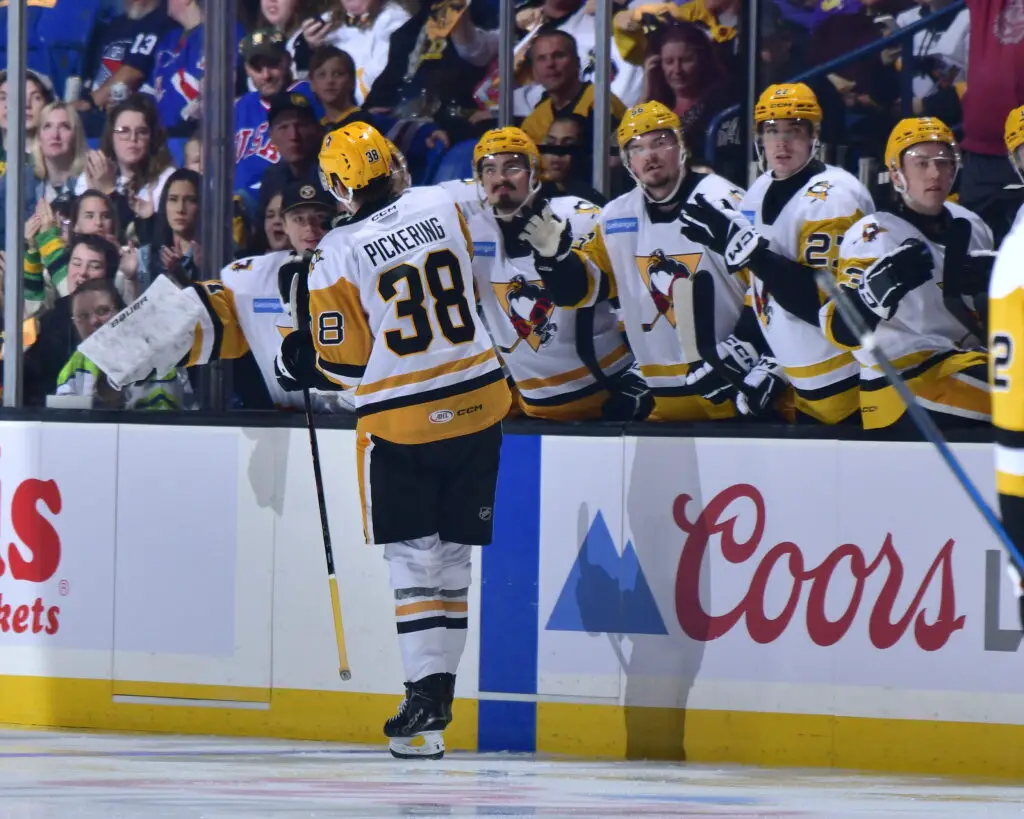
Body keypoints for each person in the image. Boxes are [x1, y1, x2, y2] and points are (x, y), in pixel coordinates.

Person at [279, 121, 510, 759]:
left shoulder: (336, 249)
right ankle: (434, 707)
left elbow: (347, 368)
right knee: (456, 558)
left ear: (336, 184)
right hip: (478, 401)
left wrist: (300, 356)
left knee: (414, 559)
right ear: (394, 163)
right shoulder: (446, 200)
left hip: (404, 421)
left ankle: (425, 694)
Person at [532, 101, 761, 420]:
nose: (650, 155)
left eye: (660, 142)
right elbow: (580, 292)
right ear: (628, 163)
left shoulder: (724, 199)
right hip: (661, 398)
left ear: (682, 148)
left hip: (729, 387)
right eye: (637, 148)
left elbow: (767, 287)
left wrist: (746, 346)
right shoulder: (615, 216)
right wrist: (554, 260)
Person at [677, 83, 875, 424]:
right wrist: (749, 347)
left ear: (814, 135)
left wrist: (752, 253)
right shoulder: (758, 190)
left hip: (848, 382)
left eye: (794, 130)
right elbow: (761, 291)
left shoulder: (835, 197)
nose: (781, 142)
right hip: (800, 382)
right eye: (772, 130)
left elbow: (825, 308)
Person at [820, 117, 993, 431]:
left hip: (965, 364)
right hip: (902, 385)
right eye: (921, 163)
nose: (934, 173)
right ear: (897, 173)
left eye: (943, 162)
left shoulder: (972, 225)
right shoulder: (873, 235)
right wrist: (876, 290)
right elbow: (838, 329)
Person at [466, 127, 638, 420]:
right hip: (530, 404)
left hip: (604, 395)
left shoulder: (579, 216)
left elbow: (633, 294)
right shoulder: (471, 232)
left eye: (513, 167)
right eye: (490, 169)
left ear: (534, 174)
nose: (501, 179)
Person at [56, 279, 194, 410]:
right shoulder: (72, 368)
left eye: (102, 311)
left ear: (121, 312)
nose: (94, 321)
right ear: (74, 323)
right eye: (83, 316)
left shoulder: (155, 353)